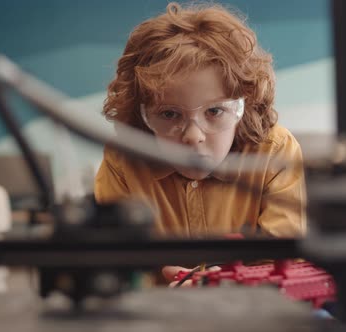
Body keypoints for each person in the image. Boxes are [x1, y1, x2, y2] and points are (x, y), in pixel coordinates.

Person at [94, 2, 306, 284]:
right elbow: (112, 263)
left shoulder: (276, 153)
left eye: (214, 111)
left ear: (247, 105)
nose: (193, 136)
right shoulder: (123, 161)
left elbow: (284, 265)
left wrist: (231, 283)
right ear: (142, 117)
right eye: (169, 114)